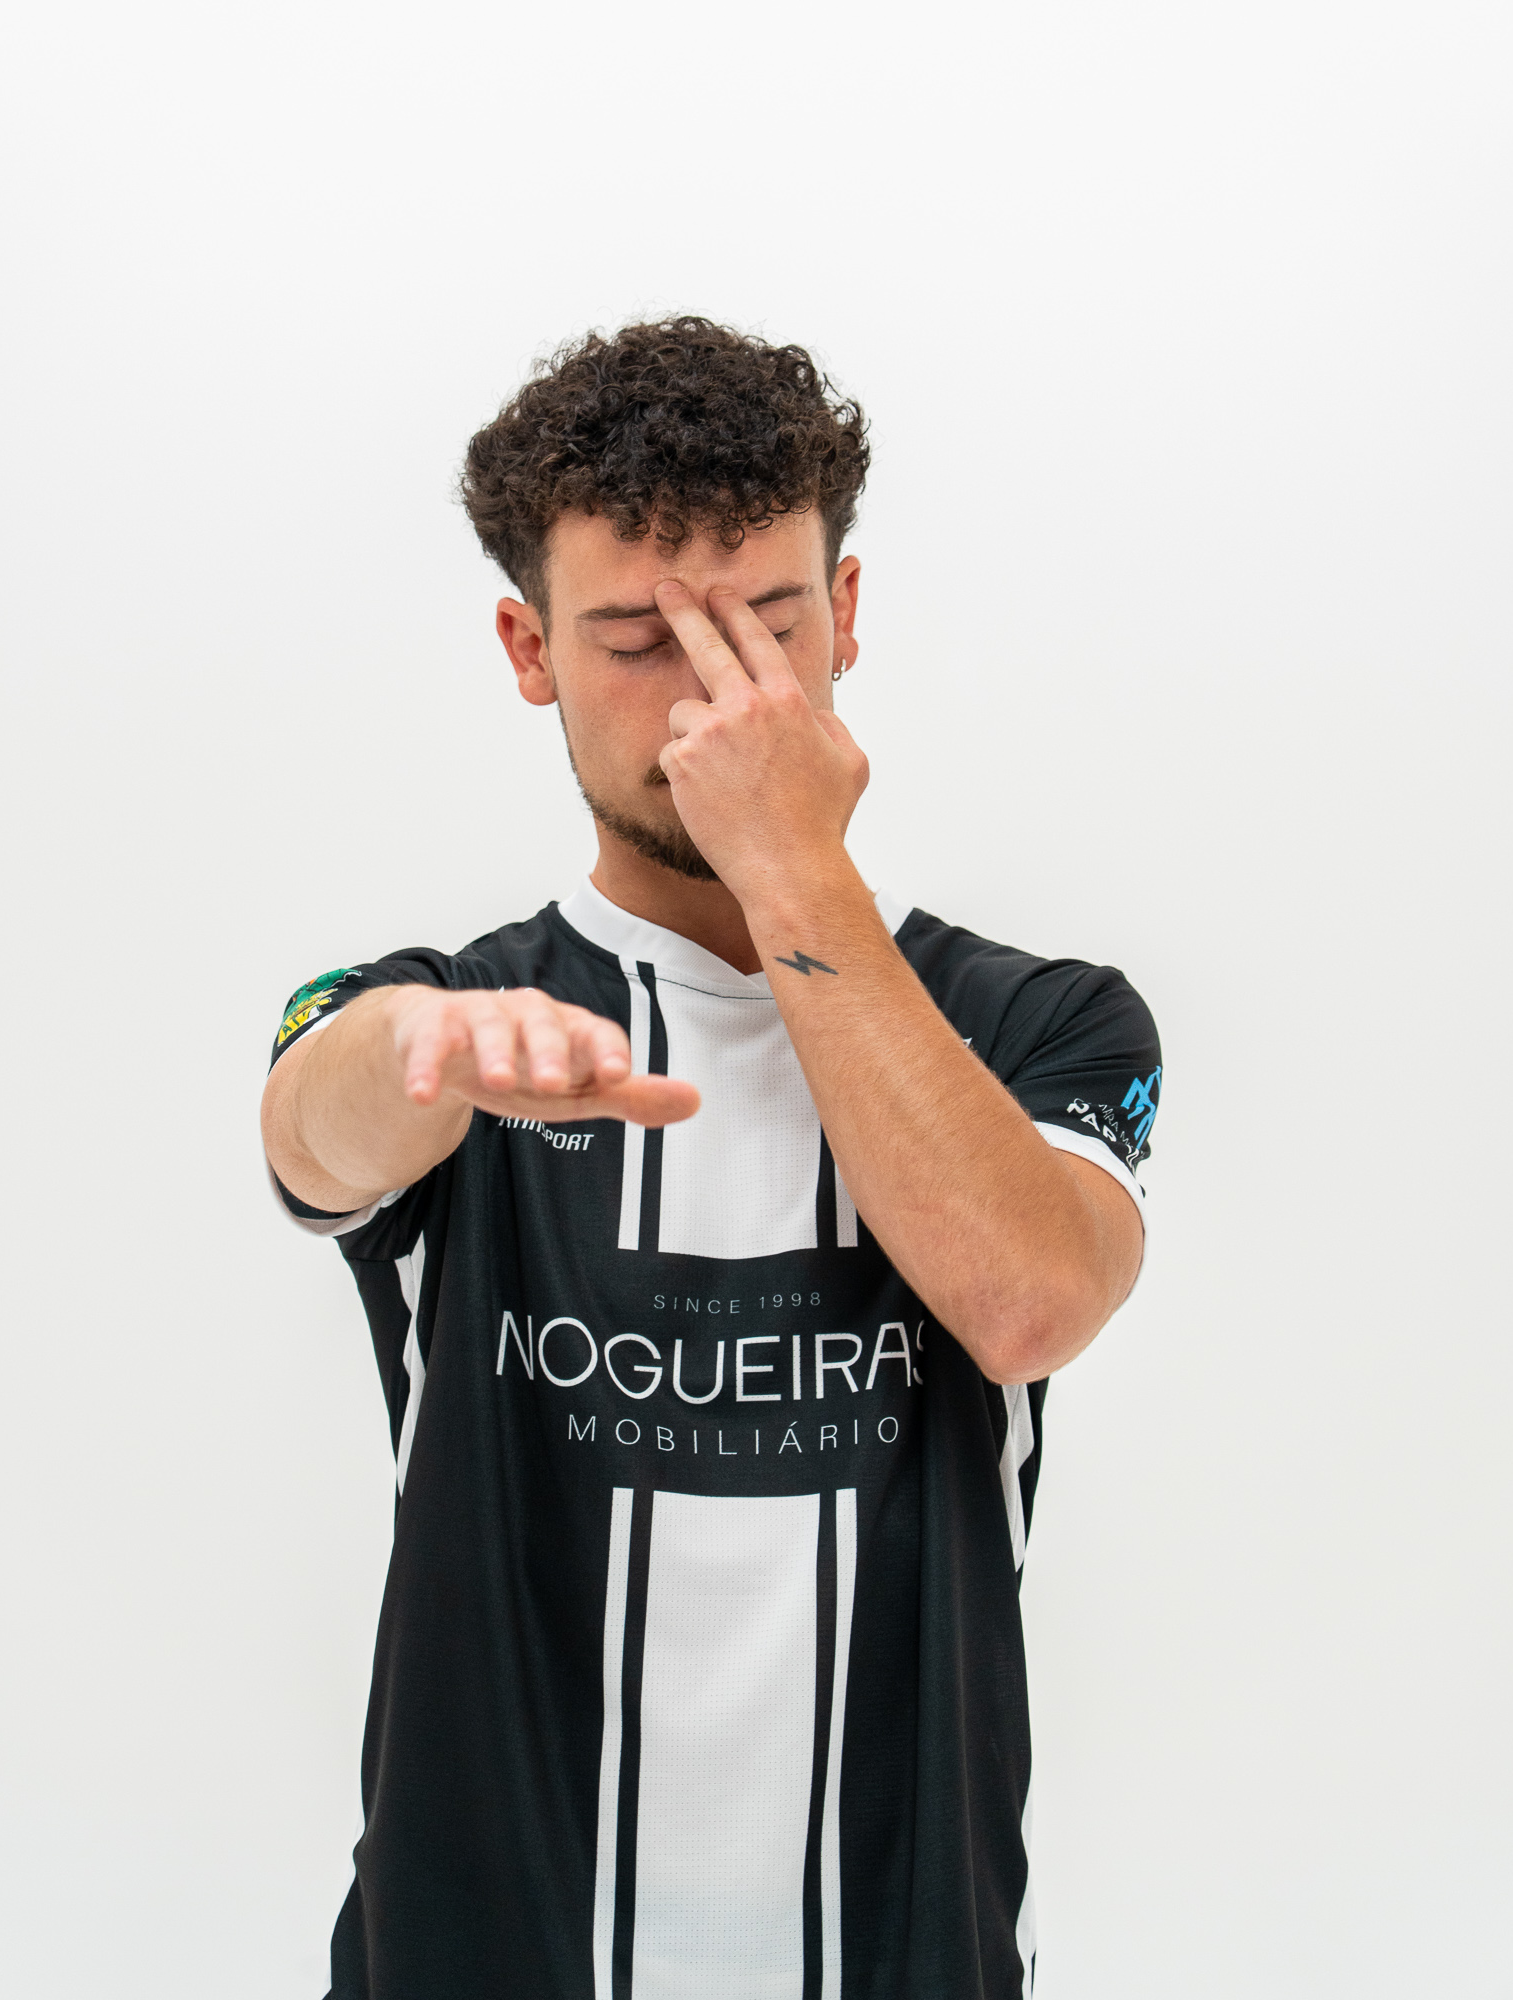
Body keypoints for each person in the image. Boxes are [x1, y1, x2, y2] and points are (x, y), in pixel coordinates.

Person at [261, 316, 1162, 2000]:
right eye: (637, 639)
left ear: (850, 614)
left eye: (769, 627)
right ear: (528, 647)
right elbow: (314, 1120)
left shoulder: (1042, 1020)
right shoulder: (455, 1013)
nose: (715, 698)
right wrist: (404, 1052)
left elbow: (1030, 1302)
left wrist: (791, 868)